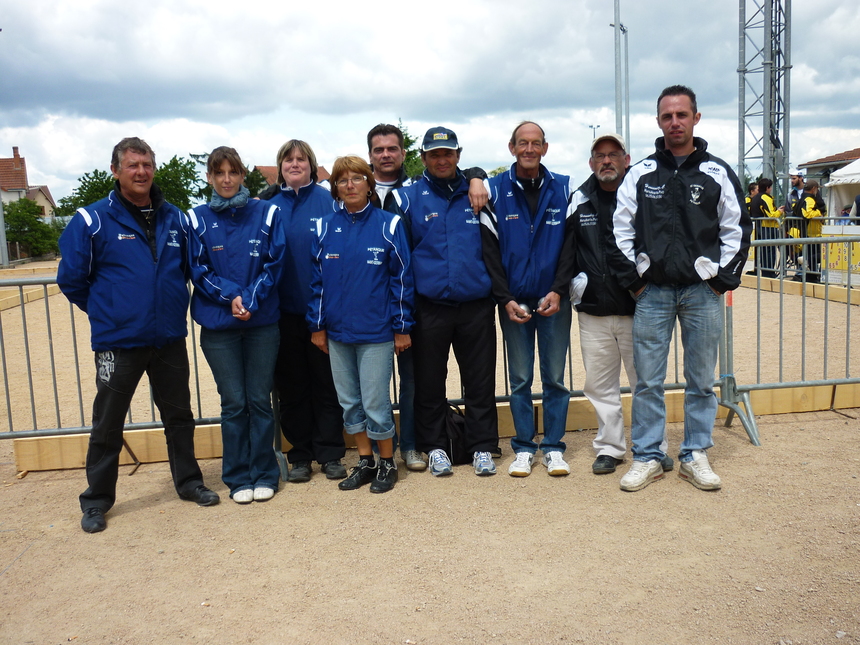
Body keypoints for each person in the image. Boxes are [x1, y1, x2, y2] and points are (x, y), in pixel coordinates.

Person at [58, 137, 220, 533]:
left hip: (168, 338)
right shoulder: (91, 220)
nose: (141, 172)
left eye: (147, 164)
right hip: (119, 342)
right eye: (132, 165)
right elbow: (72, 279)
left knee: (179, 416)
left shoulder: (175, 218)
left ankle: (189, 482)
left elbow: (190, 269)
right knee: (108, 422)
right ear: (116, 170)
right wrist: (109, 311)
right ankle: (96, 500)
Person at [611, 85, 752, 492]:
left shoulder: (717, 172)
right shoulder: (640, 173)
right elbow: (619, 231)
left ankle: (694, 454)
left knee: (701, 380)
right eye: (667, 116)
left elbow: (738, 230)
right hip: (652, 293)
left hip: (701, 293)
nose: (675, 122)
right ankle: (649, 456)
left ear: (696, 118)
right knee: (648, 381)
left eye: (682, 115)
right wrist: (636, 283)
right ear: (658, 121)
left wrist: (720, 282)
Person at [388, 126, 500, 477]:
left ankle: (483, 447)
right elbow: (400, 261)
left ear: (458, 155)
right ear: (423, 157)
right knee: (429, 383)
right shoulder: (406, 198)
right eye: (434, 154)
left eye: (447, 153)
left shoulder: (479, 192)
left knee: (480, 382)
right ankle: (435, 447)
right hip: (429, 306)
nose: (441, 160)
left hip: (475, 305)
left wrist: (477, 177)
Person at [308, 156, 414, 493]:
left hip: (376, 332)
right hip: (337, 333)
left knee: (375, 403)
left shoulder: (389, 224)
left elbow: (401, 280)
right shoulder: (324, 227)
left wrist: (401, 327)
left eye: (357, 178)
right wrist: (317, 326)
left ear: (369, 184)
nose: (350, 185)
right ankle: (366, 461)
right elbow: (316, 283)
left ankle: (387, 462)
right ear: (335, 189)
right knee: (350, 403)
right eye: (342, 180)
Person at [568, 133, 672, 475]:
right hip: (593, 311)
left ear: (627, 160)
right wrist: (570, 287)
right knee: (600, 386)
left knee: (646, 382)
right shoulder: (578, 199)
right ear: (591, 163)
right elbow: (567, 250)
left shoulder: (642, 195)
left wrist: (649, 289)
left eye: (614, 154)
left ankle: (653, 446)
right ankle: (610, 448)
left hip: (638, 308)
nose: (607, 161)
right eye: (600, 156)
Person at [187, 147, 286, 503]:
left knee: (259, 400)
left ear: (243, 175)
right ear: (210, 178)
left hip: (261, 324)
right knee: (233, 403)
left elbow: (275, 263)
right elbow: (198, 269)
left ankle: (265, 473)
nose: (226, 179)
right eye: (219, 173)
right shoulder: (196, 218)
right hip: (219, 328)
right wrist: (231, 297)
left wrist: (250, 300)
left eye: (233, 172)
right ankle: (238, 476)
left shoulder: (268, 212)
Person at [480, 121, 574, 477]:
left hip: (554, 300)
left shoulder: (564, 188)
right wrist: (504, 297)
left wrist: (559, 290)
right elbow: (489, 250)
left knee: (555, 378)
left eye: (536, 143)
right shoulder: (494, 190)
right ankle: (523, 447)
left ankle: (553, 447)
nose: (529, 149)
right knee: (519, 379)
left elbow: (570, 246)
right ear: (512, 147)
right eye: (523, 143)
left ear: (545, 148)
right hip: (514, 302)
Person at [264, 140, 347, 483]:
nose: (295, 164)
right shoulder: (268, 206)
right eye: (288, 159)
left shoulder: (328, 202)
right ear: (280, 166)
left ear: (312, 165)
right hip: (282, 314)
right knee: (292, 388)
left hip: (323, 313)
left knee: (326, 386)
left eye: (301, 159)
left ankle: (330, 453)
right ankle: (299, 455)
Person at [792, 179, 827, 283]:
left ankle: (810, 276)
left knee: (812, 254)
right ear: (814, 189)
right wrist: (819, 213)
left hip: (806, 232)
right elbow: (807, 214)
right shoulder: (809, 199)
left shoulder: (802, 198)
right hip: (812, 232)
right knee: (817, 255)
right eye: (817, 189)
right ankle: (807, 266)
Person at [748, 178, 784, 278]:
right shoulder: (765, 197)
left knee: (763, 251)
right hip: (767, 227)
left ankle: (765, 272)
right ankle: (769, 273)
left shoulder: (755, 197)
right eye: (770, 187)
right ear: (767, 187)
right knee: (769, 251)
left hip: (759, 227)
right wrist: (779, 211)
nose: (771, 189)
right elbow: (770, 215)